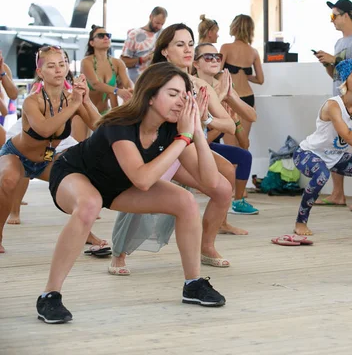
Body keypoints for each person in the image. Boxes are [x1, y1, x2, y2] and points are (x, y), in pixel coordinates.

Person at [38, 62, 226, 323]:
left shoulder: (174, 127)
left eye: (184, 96)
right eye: (172, 95)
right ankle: (50, 295)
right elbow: (143, 179)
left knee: (185, 201)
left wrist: (196, 132)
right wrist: (183, 139)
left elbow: (209, 180)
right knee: (90, 203)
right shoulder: (121, 122)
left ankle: (193, 284)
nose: (180, 103)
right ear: (149, 97)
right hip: (76, 172)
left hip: (118, 185)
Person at [108, 23, 240, 276]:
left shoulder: (200, 84)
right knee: (142, 194)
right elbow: (136, 116)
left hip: (187, 145)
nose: (188, 49)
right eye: (180, 44)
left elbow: (230, 126)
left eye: (190, 44)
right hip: (158, 146)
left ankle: (207, 247)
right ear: (165, 51)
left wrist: (205, 119)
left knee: (223, 189)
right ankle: (119, 253)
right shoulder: (153, 79)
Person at [0, 47, 101, 255]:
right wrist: (74, 106)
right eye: (51, 66)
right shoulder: (32, 101)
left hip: (46, 158)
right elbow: (44, 129)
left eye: (62, 64)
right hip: (17, 155)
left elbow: (99, 125)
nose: (58, 70)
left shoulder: (72, 99)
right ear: (40, 72)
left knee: (80, 184)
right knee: (9, 180)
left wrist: (86, 100)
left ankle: (86, 234)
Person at [292, 59, 352, 236]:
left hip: (335, 157)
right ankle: (300, 222)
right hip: (308, 153)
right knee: (321, 174)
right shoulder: (333, 105)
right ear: (345, 81)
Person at [313, 0, 352, 209]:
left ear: (347, 15)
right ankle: (337, 193)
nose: (332, 21)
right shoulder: (339, 43)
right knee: (332, 145)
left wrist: (335, 60)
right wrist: (327, 64)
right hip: (339, 101)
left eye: (334, 16)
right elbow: (337, 76)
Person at [193, 43, 259, 215]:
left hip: (208, 144)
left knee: (243, 155)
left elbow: (252, 116)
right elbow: (199, 136)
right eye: (208, 57)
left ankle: (237, 202)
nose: (215, 60)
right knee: (227, 170)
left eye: (218, 57)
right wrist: (221, 103)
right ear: (196, 64)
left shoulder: (222, 86)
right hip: (191, 145)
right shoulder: (192, 86)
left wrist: (229, 97)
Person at [220, 14, 264, 149]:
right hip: (248, 99)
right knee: (243, 143)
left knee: (230, 146)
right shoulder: (253, 52)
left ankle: (232, 170)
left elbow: (216, 71)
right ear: (251, 30)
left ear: (234, 27)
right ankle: (244, 170)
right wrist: (245, 75)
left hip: (230, 97)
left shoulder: (226, 48)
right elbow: (260, 80)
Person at [81, 25, 133, 119]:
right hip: (85, 111)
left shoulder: (117, 63)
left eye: (108, 35)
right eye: (101, 36)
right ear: (92, 43)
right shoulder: (86, 62)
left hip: (105, 112)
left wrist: (131, 90)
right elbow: (95, 84)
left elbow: (126, 82)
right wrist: (118, 91)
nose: (106, 38)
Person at [121, 6, 168, 83]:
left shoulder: (164, 35)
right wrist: (142, 59)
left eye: (162, 24)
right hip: (137, 82)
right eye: (157, 23)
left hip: (158, 82)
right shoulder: (134, 34)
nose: (159, 26)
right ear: (150, 17)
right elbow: (123, 62)